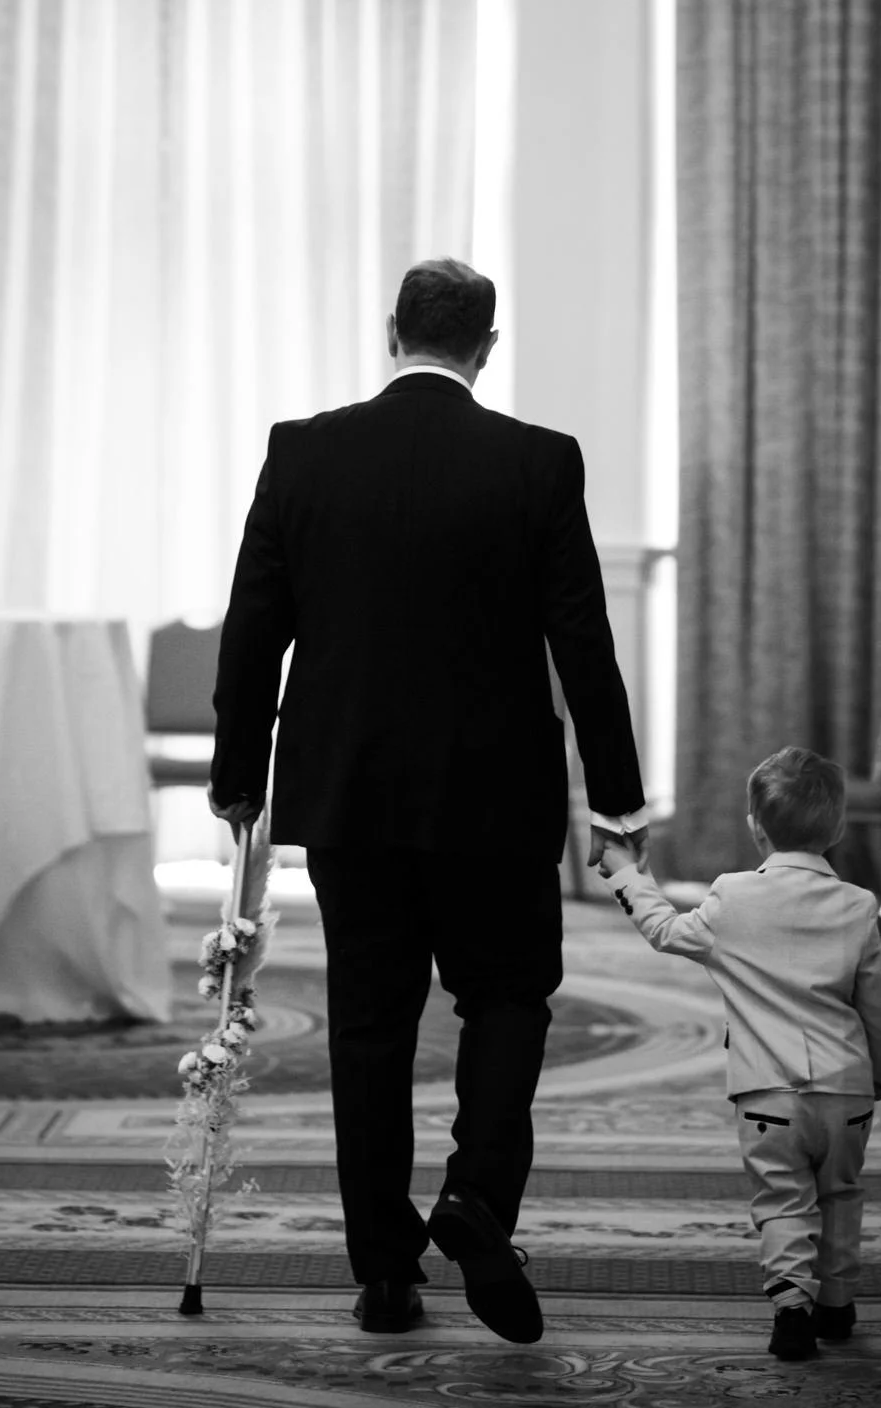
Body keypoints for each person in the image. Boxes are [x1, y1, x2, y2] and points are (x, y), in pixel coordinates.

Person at [209, 257, 647, 1344]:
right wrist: (620, 804)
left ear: (390, 330)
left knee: (369, 1027)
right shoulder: (538, 463)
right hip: (498, 796)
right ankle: (476, 1199)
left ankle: (384, 1274)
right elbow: (581, 643)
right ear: (486, 346)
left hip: (352, 794)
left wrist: (236, 781)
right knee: (508, 999)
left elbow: (253, 629)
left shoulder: (304, 451)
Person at [597, 746, 881, 1363]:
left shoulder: (732, 898)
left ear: (755, 828)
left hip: (767, 1095)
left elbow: (664, 930)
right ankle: (837, 1306)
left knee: (784, 1199)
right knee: (840, 1193)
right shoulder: (857, 905)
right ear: (838, 827)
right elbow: (879, 1003)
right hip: (846, 1091)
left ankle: (792, 1306)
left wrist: (628, 873)